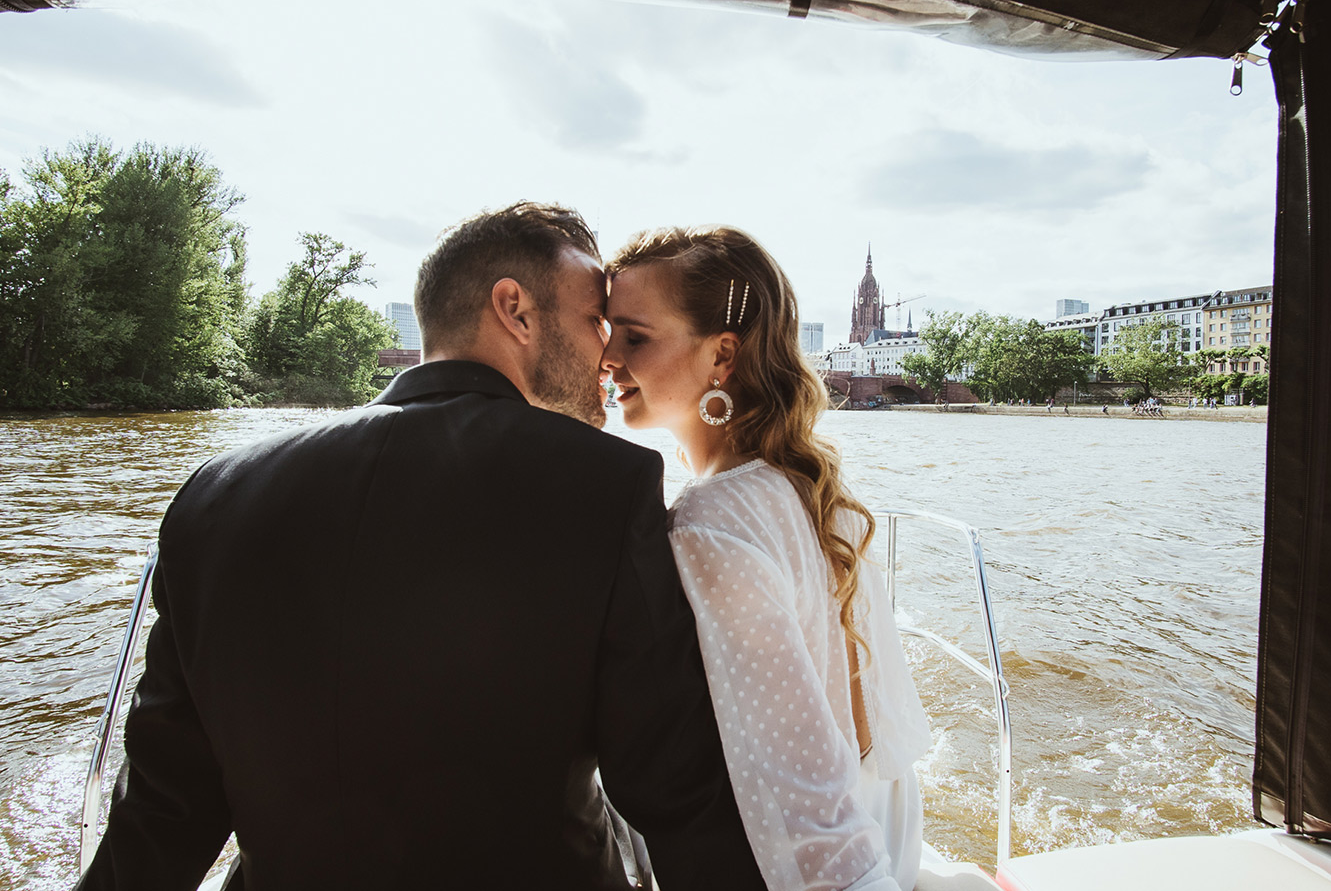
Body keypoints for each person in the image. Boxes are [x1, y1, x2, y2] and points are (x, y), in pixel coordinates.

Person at [77, 203, 766, 891]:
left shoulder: (213, 496)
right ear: (515, 310)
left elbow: (163, 817)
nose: (607, 353)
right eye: (595, 321)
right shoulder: (606, 485)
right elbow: (678, 794)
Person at [600, 226, 932, 891]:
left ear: (721, 354)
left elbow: (804, 797)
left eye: (634, 337)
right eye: (606, 331)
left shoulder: (709, 523)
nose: (605, 357)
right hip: (896, 824)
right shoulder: (808, 485)